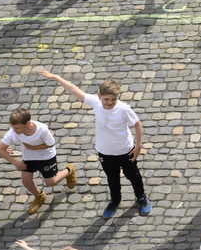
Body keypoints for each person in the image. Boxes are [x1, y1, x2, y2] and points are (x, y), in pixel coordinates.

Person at [37, 71, 151, 218]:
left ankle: (141, 197)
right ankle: (115, 200)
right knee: (112, 177)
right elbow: (74, 89)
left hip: (125, 151)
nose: (109, 102)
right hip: (105, 152)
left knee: (133, 175)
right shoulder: (96, 103)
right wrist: (56, 77)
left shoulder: (124, 109)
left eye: (113, 99)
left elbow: (137, 124)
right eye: (106, 99)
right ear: (99, 97)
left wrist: (139, 146)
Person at [0, 105, 78, 213]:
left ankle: (69, 170)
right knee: (26, 181)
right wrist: (16, 162)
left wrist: (32, 147)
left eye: (17, 128)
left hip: (46, 156)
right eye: (12, 127)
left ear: (28, 123)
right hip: (29, 157)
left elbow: (50, 144)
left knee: (50, 182)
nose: (14, 131)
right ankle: (39, 196)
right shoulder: (13, 132)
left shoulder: (42, 130)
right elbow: (1, 150)